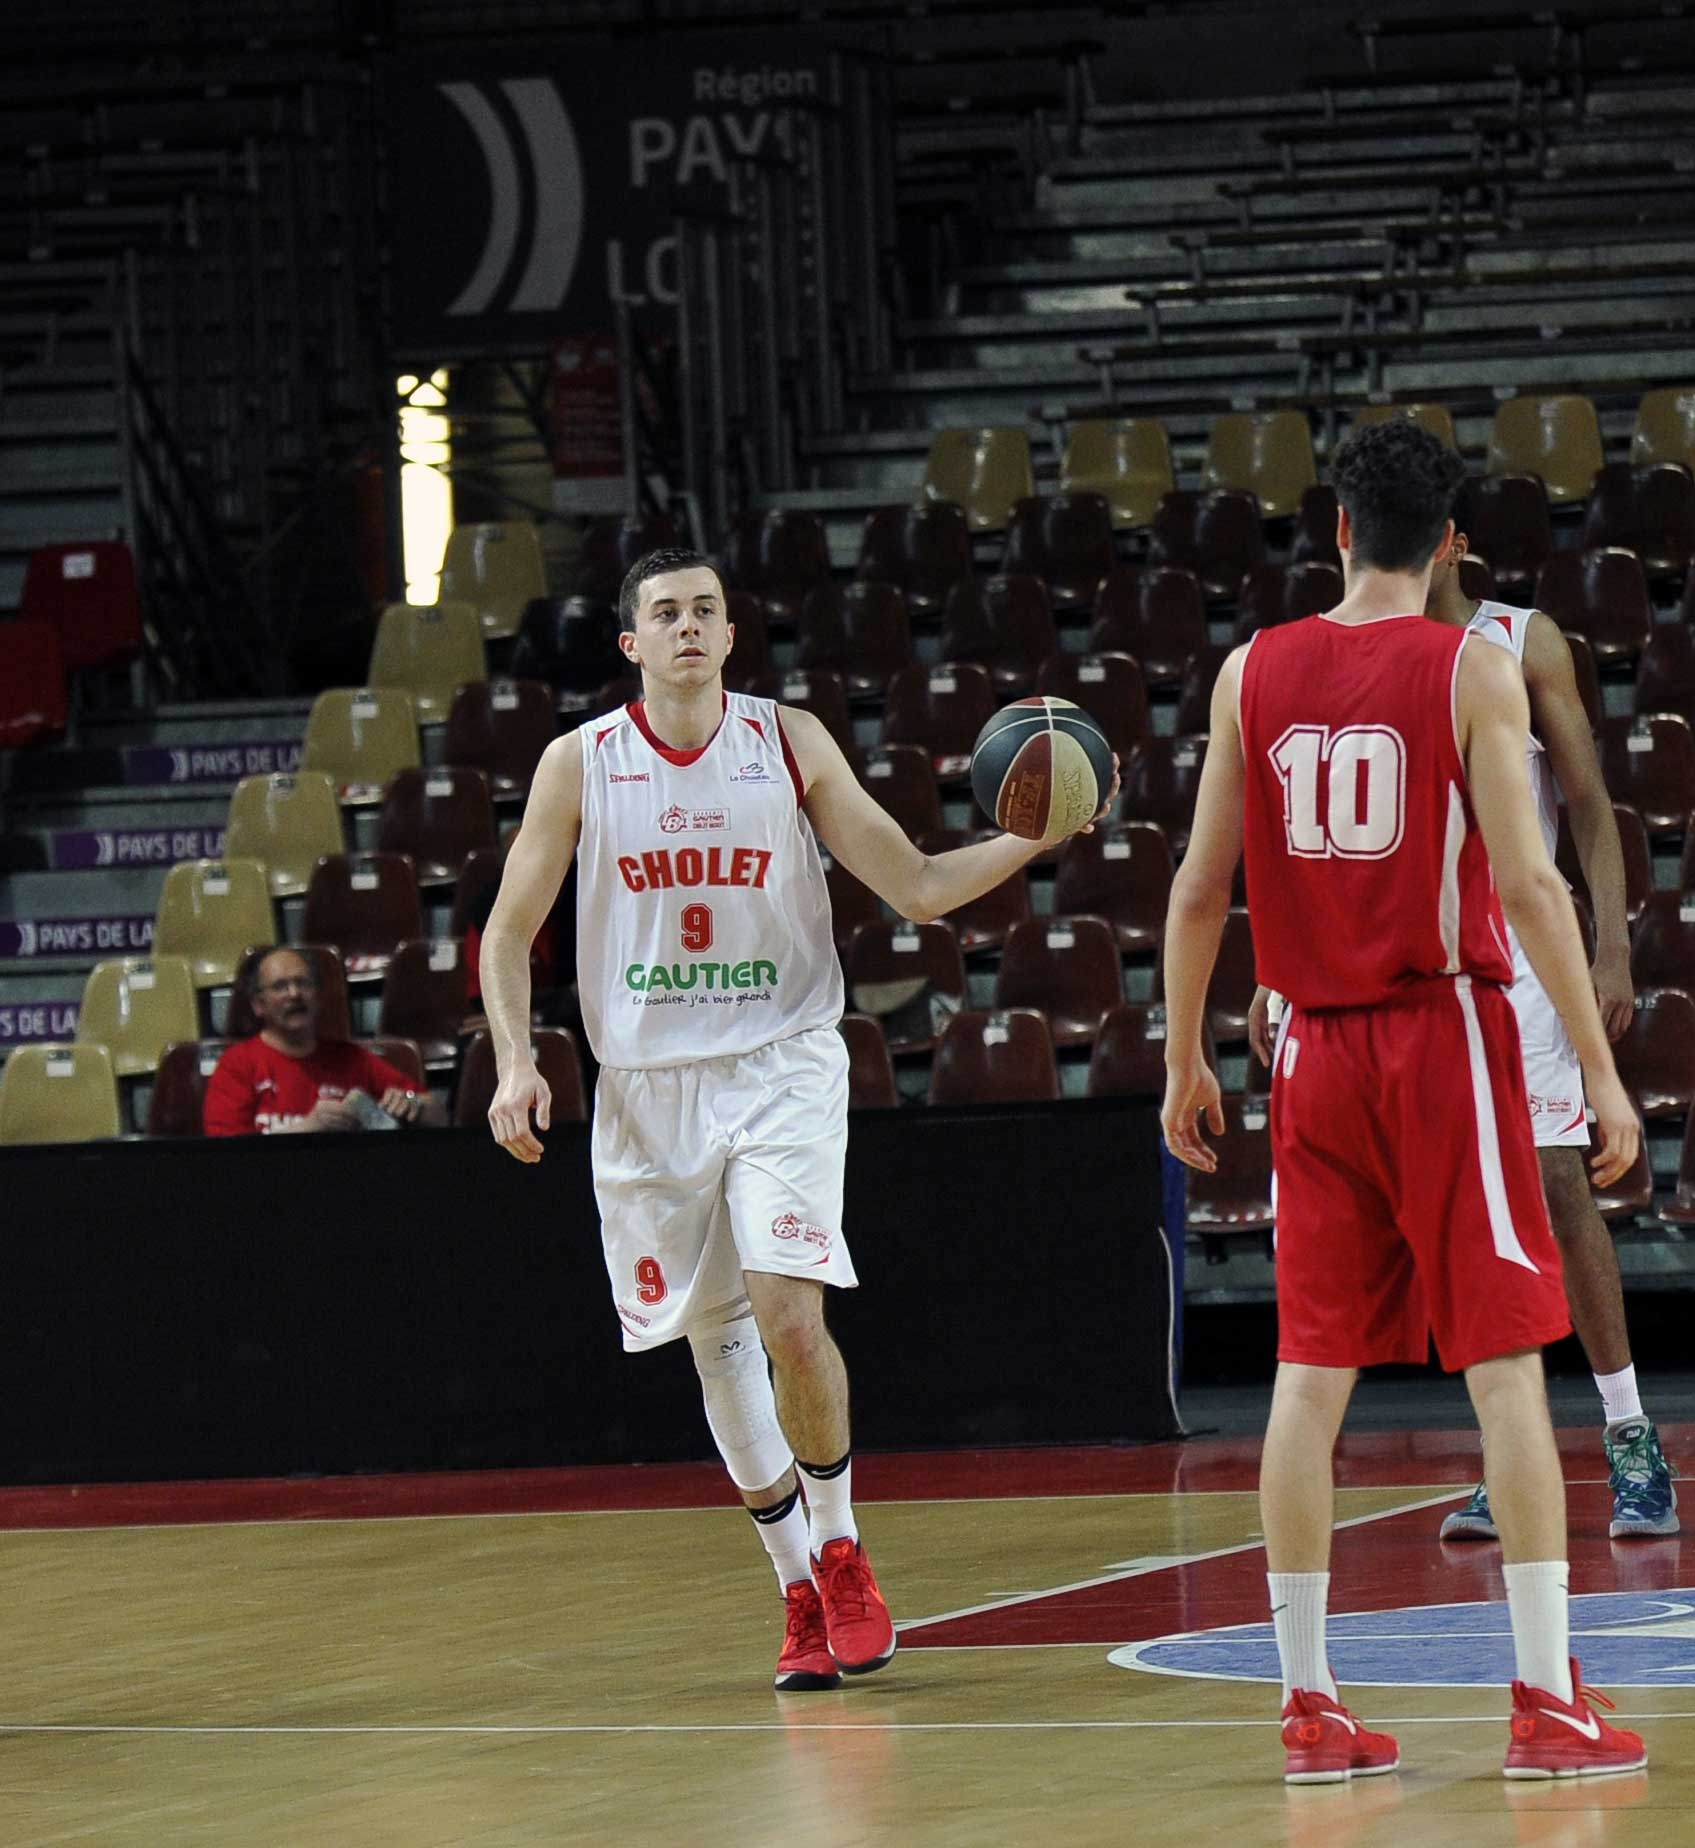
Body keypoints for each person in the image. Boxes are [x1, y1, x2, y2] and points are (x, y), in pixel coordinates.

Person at [479, 546, 1069, 1692]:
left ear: (732, 635)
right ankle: (795, 1583)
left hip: (782, 1063)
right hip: (648, 1087)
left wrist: (1035, 840)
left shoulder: (787, 743)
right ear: (631, 645)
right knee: (716, 1344)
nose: (689, 626)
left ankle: (843, 1547)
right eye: (666, 613)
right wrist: (514, 1061)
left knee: (790, 1311)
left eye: (707, 608)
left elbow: (919, 887)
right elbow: (506, 934)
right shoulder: (578, 765)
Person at [1161, 422, 1648, 1783]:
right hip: (1441, 1036)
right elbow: (1533, 884)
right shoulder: (1471, 665)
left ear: (1333, 530)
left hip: (1308, 1049)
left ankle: (1310, 1705)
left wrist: (1182, 1055)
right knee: (1503, 1365)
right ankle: (1547, 1700)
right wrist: (1602, 1075)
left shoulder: (1250, 670)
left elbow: (1202, 888)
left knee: (1309, 1376)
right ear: (1449, 544)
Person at [1249, 523, 1677, 1539]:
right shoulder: (1333, 653)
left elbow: (1587, 801)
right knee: (1450, 1217)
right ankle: (1510, 1452)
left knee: (1560, 1182)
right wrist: (1281, 972)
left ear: (1455, 543)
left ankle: (1629, 1435)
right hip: (1402, 970)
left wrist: (1610, 945)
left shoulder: (1522, 644)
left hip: (1519, 952)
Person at [203, 945, 434, 1133]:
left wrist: (413, 1103)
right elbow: (228, 1154)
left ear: (318, 996)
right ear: (258, 1004)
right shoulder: (238, 1064)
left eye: (303, 983)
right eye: (280, 987)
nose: (294, 994)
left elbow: (439, 1115)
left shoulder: (351, 1058)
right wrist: (308, 1128)